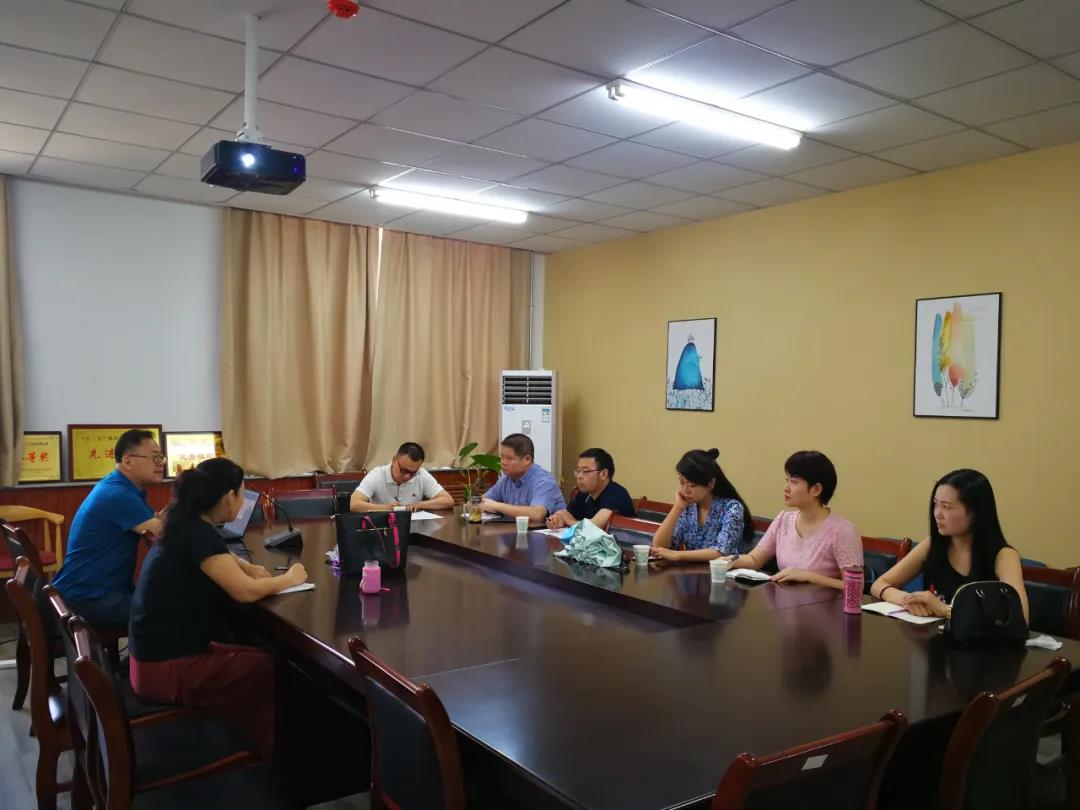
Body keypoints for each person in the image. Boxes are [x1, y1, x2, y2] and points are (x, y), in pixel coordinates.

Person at [128, 458, 307, 763]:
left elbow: (213, 556)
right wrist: (290, 578)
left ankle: (243, 738)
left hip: (149, 658)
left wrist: (244, 565)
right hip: (166, 669)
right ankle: (262, 756)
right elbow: (244, 591)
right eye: (241, 493)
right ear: (228, 496)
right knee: (268, 665)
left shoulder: (183, 523)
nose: (242, 500)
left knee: (253, 650)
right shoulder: (198, 533)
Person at [868, 469, 1029, 621]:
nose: (937, 514)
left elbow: (1020, 617)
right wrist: (909, 600)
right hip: (933, 637)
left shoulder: (1004, 556)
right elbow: (879, 584)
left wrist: (947, 610)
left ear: (976, 512)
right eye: (935, 504)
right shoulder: (933, 543)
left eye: (946, 507)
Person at [51, 429, 166, 631]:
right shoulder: (118, 494)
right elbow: (164, 532)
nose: (161, 463)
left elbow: (157, 521)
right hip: (88, 598)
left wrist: (183, 498)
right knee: (172, 614)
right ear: (128, 461)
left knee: (168, 604)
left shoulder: (120, 487)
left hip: (91, 590)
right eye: (154, 457)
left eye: (161, 457)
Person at [728, 450, 862, 590]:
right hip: (786, 600)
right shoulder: (783, 520)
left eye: (794, 482)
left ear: (816, 489)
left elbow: (855, 588)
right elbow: (754, 560)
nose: (786, 488)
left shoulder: (843, 531)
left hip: (823, 603)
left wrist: (809, 577)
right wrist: (726, 561)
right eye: (787, 480)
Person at [650, 449, 755, 562]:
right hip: (692, 572)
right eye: (682, 482)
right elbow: (659, 546)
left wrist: (678, 555)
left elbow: (721, 552)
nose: (685, 490)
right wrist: (677, 508)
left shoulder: (732, 508)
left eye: (692, 485)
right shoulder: (688, 508)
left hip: (722, 572)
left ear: (711, 483)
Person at [482, 433, 566, 524]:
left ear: (527, 459)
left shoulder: (544, 481)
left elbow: (537, 515)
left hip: (546, 532)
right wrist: (480, 504)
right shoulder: (506, 479)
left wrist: (496, 506)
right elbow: (482, 501)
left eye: (509, 458)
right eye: (502, 457)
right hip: (514, 531)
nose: (503, 462)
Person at [546, 447, 635, 530]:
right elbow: (566, 514)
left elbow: (592, 528)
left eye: (585, 471)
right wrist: (557, 519)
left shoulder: (616, 495)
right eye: (578, 471)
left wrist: (570, 521)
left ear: (603, 474)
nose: (579, 476)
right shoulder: (584, 493)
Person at [350, 442, 454, 513]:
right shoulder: (377, 475)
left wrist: (419, 505)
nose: (407, 476)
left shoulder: (421, 474)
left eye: (413, 473)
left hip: (414, 531)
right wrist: (385, 508)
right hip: (383, 531)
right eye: (403, 470)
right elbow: (353, 504)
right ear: (394, 460)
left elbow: (448, 500)